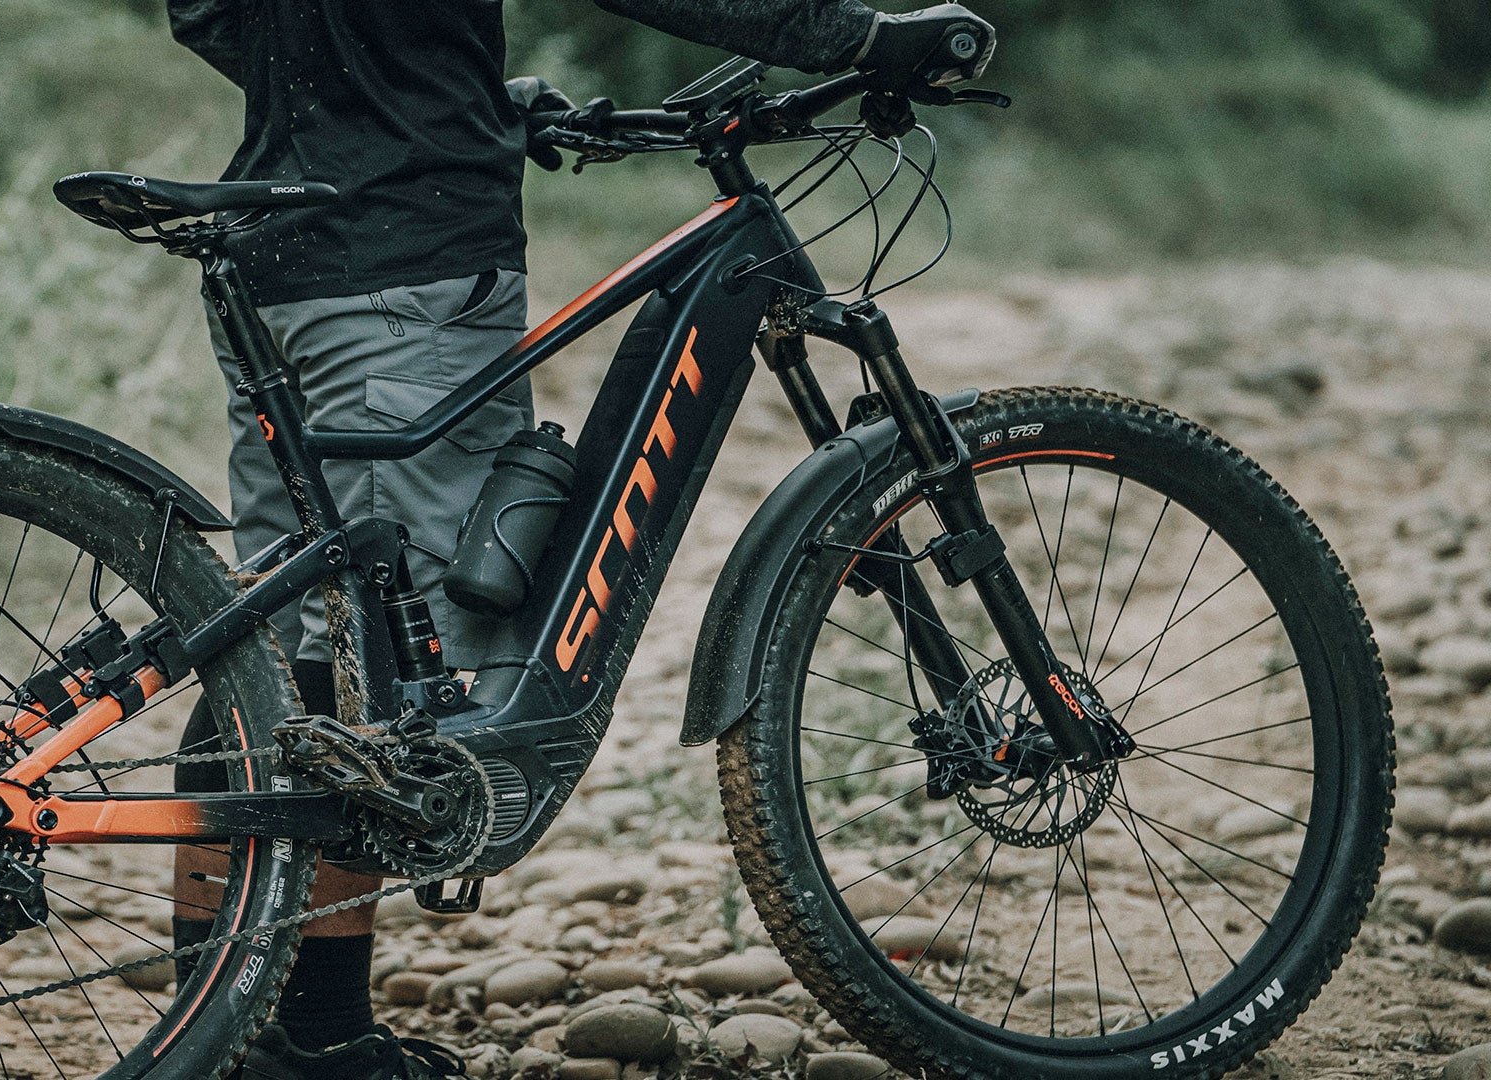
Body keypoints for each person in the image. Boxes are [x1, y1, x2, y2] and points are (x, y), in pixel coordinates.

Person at [160, 3, 997, 1077]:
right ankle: (309, 1045)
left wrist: (422, 94)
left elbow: (212, 10)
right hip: (402, 267)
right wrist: (862, 40)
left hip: (284, 248)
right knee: (355, 678)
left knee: (284, 655)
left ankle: (228, 1032)